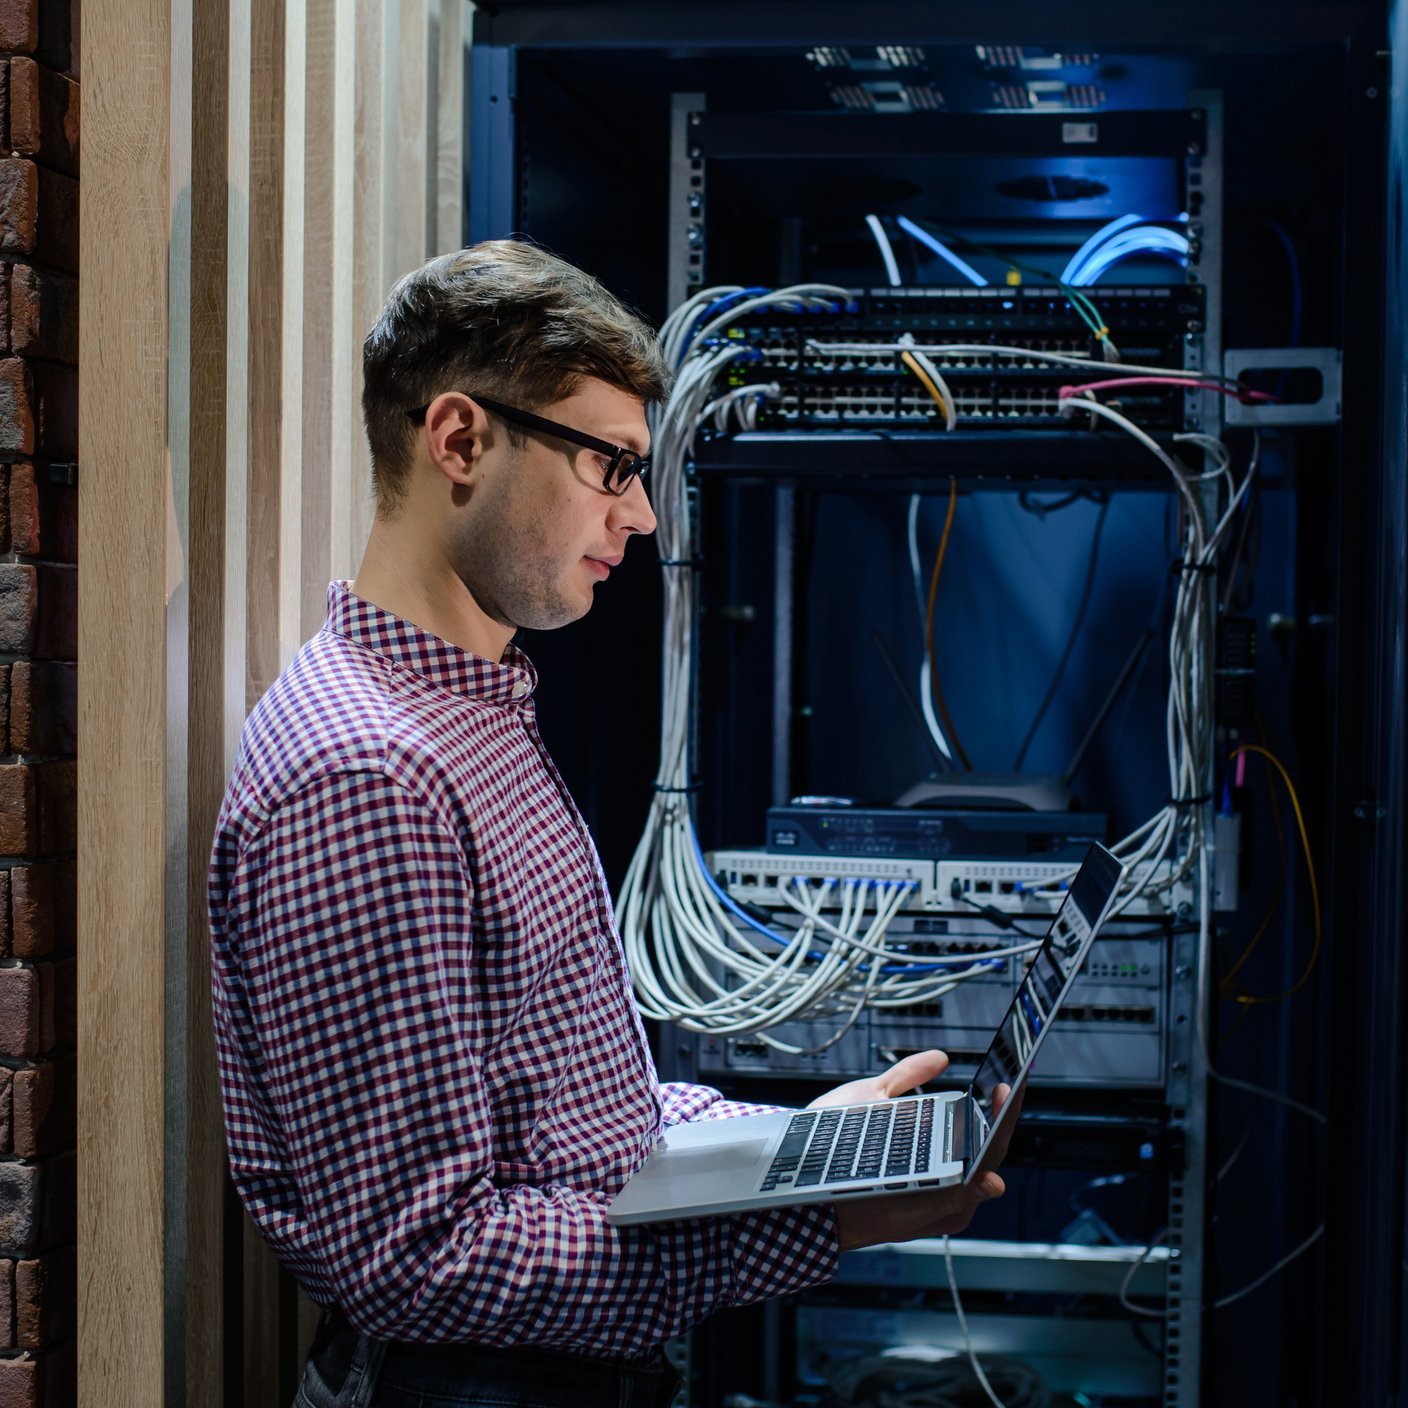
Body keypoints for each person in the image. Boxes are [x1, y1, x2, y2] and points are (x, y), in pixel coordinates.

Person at [208, 239, 1018, 1408]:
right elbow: (424, 1261)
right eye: (609, 464)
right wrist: (814, 1225)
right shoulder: (369, 771)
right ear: (459, 439)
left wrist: (789, 1149)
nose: (638, 515)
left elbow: (558, 1118)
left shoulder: (465, 711)